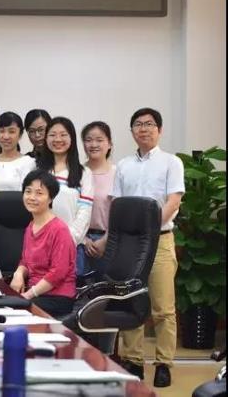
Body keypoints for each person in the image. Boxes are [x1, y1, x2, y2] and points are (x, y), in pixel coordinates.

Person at [111, 108, 184, 387]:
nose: (144, 129)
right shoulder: (124, 165)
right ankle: (133, 360)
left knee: (163, 307)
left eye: (150, 124)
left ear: (159, 130)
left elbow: (173, 201)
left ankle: (164, 363)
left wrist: (150, 230)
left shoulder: (171, 162)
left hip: (161, 240)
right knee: (131, 302)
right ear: (132, 131)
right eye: (138, 124)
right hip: (130, 244)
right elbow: (118, 204)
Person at [10, 169, 76, 318]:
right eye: (28, 191)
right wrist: (18, 274)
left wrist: (28, 295)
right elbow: (25, 261)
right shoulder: (31, 226)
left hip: (57, 297)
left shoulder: (59, 229)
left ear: (50, 198)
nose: (32, 197)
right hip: (35, 292)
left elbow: (58, 273)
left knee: (15, 312)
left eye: (39, 193)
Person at [36, 117, 93, 272]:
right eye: (52, 135)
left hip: (72, 246)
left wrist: (66, 240)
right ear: (46, 138)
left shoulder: (84, 173)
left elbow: (84, 212)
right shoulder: (37, 171)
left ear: (71, 138)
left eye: (63, 135)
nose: (58, 139)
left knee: (69, 287)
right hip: (41, 246)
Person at [81, 121, 116, 275]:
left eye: (99, 140)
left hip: (109, 241)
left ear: (109, 144)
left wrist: (106, 239)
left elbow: (120, 213)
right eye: (88, 140)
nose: (93, 144)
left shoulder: (118, 173)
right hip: (80, 240)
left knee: (106, 285)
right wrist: (84, 239)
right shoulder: (77, 172)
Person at [0, 112, 36, 191]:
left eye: (11, 132)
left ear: (20, 134)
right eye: (1, 131)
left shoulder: (29, 162)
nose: (6, 136)